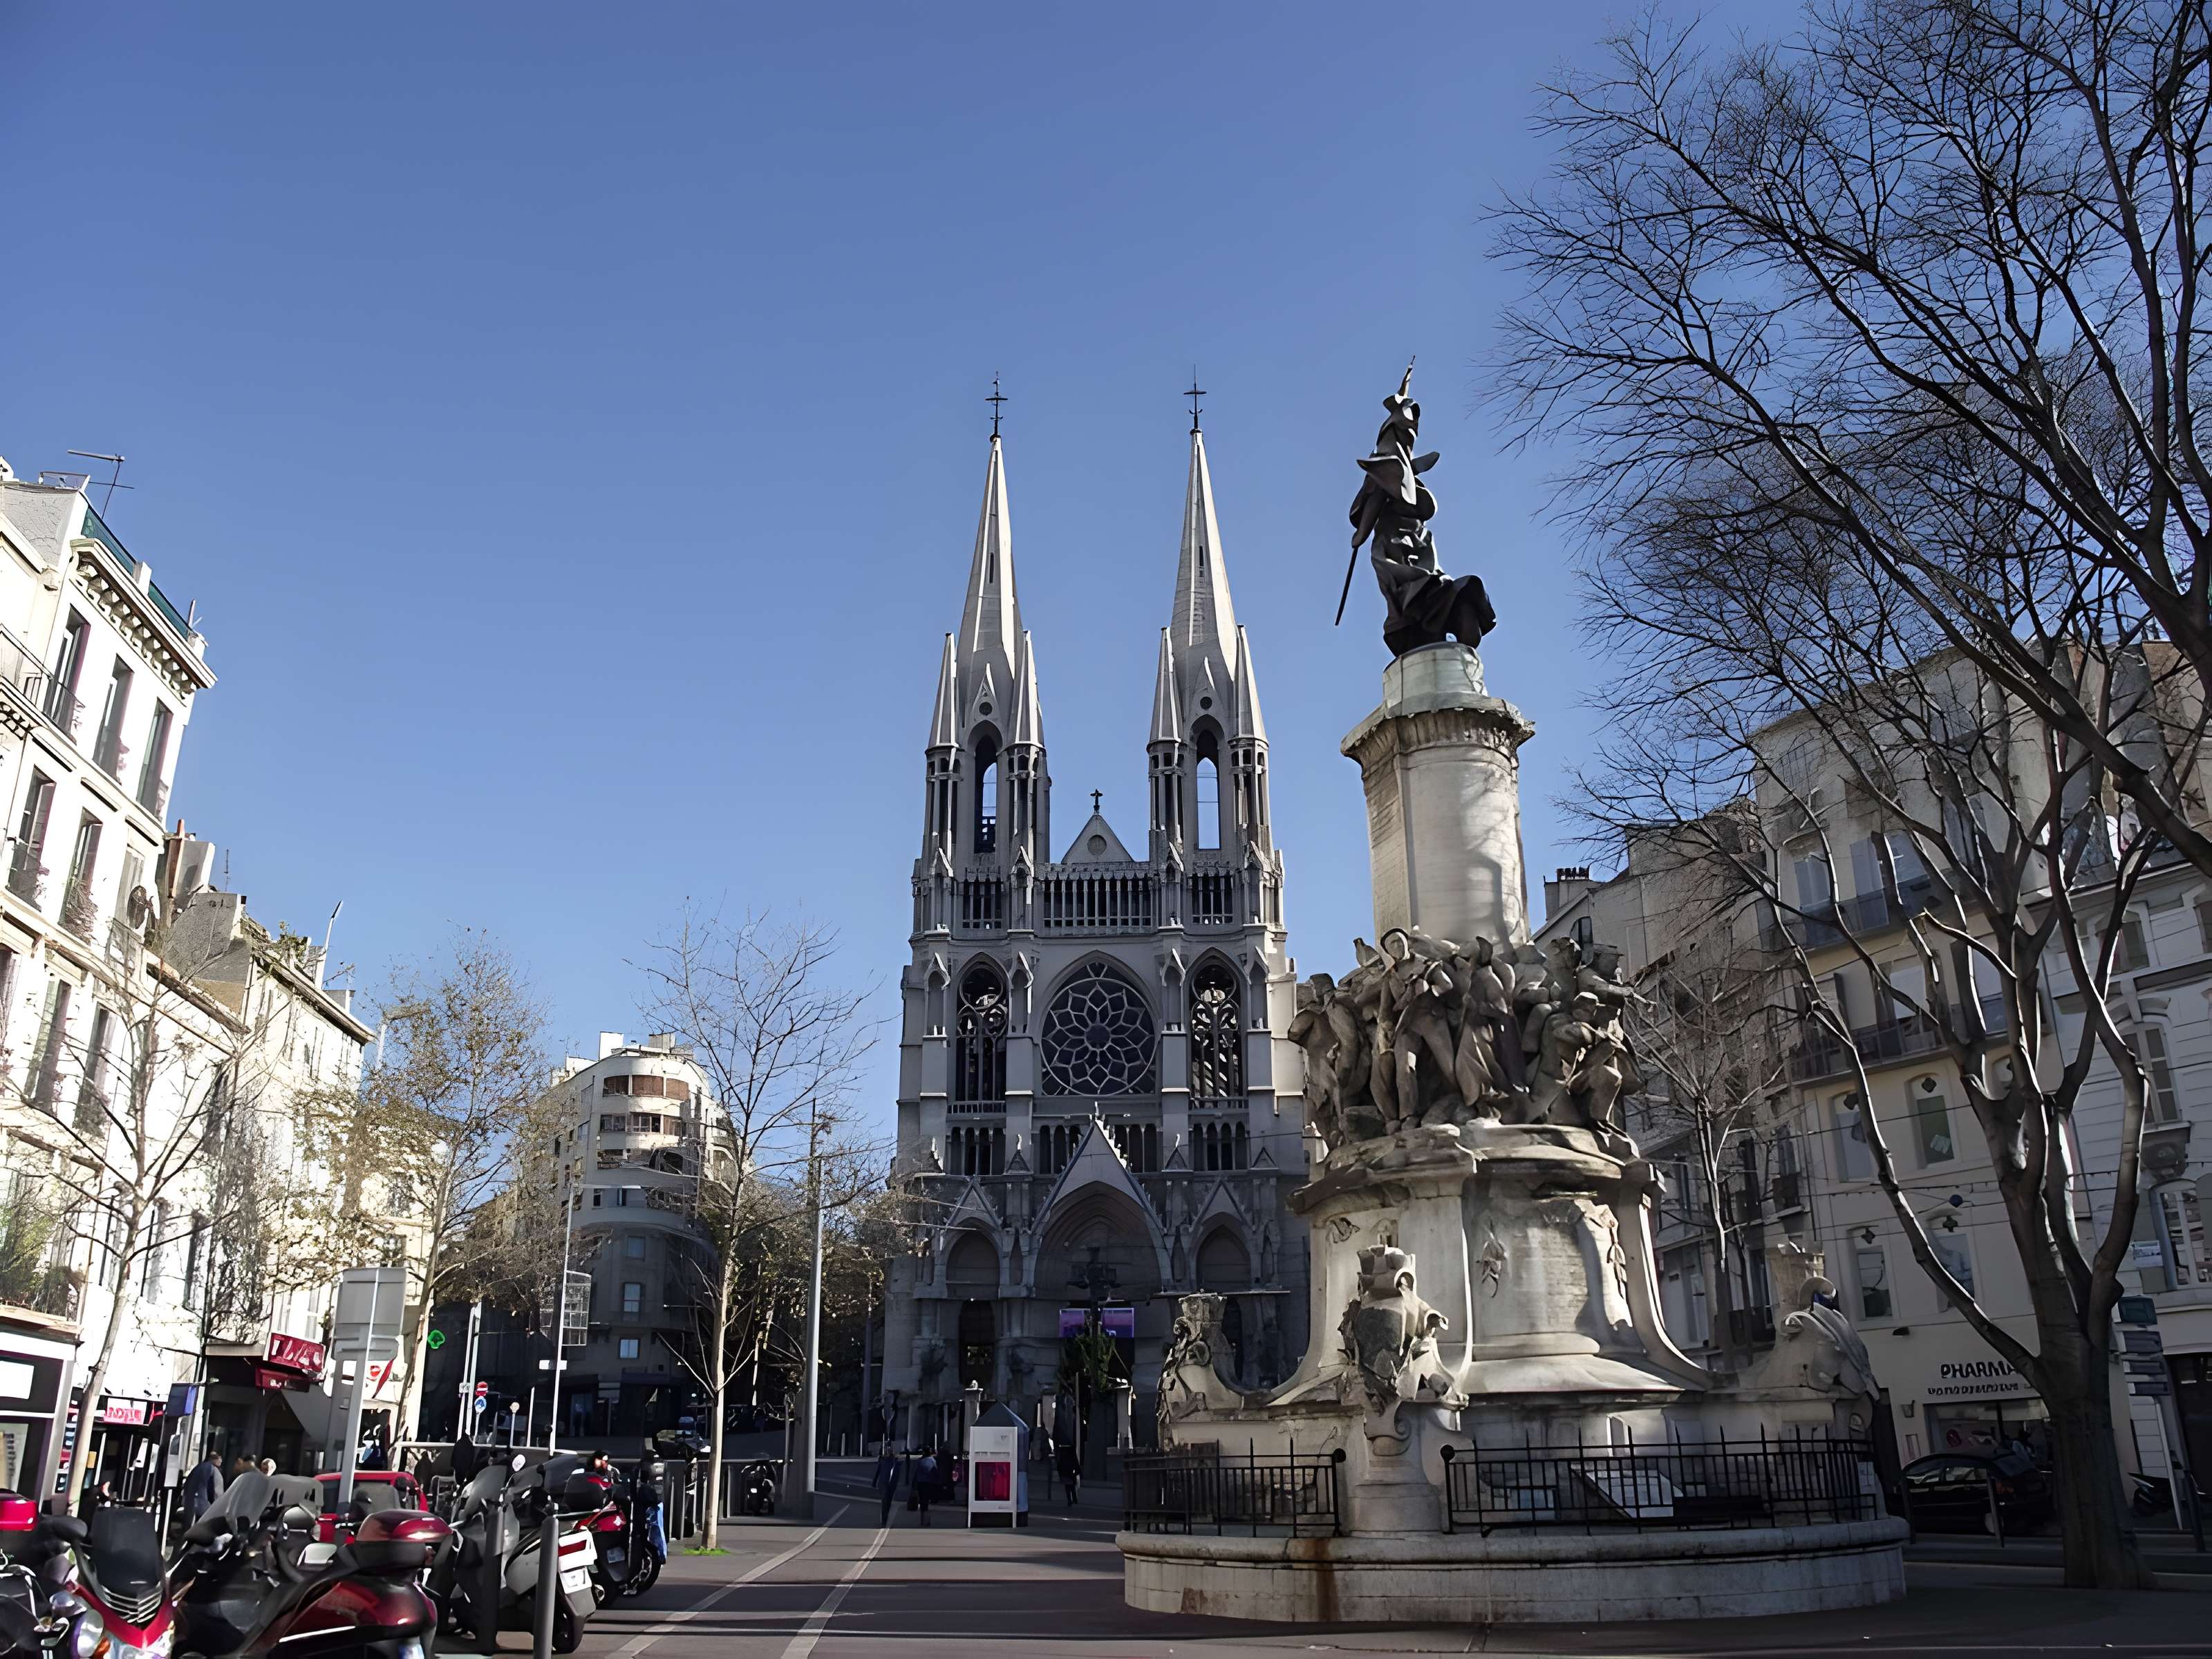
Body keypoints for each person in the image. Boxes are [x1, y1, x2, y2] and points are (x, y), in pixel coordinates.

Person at [182, 1452, 223, 1524]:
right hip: (201, 1501)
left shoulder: (199, 1466)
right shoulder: (212, 1469)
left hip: (190, 1498)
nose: (221, 1462)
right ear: (213, 1460)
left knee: (189, 1523)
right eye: (219, 1460)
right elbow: (216, 1491)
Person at [870, 1446, 900, 1528]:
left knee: (888, 1502)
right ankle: (884, 1521)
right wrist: (874, 1482)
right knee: (885, 1502)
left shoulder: (894, 1461)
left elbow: (896, 1474)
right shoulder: (884, 1461)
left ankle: (885, 1519)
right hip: (885, 1484)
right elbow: (878, 1472)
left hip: (889, 1484)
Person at [913, 1447, 937, 1527]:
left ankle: (923, 1520)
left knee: (922, 1502)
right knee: (926, 1503)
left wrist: (914, 1486)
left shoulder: (920, 1461)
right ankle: (926, 1521)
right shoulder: (933, 1461)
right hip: (929, 1484)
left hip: (920, 1483)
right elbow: (935, 1473)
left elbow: (915, 1473)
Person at [1056, 1434, 1080, 1508]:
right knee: (1072, 1485)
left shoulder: (1063, 1454)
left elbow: (1060, 1464)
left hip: (1065, 1471)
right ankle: (1074, 1499)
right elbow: (1075, 1462)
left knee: (1068, 1487)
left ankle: (1070, 1500)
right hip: (1071, 1471)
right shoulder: (1071, 1453)